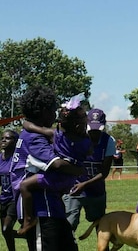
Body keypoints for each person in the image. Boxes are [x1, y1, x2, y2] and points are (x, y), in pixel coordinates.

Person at [11, 86, 84, 251]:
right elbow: (56, 163)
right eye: (52, 110)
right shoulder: (34, 138)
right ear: (43, 111)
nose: (55, 115)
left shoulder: (33, 132)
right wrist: (78, 169)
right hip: (39, 209)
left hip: (51, 206)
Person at [64, 108, 116, 231]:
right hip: (74, 190)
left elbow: (104, 172)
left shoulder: (108, 141)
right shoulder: (77, 139)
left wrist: (85, 184)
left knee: (101, 226)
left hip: (96, 191)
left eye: (98, 130)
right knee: (69, 224)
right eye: (91, 129)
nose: (94, 133)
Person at [1, 129, 19, 251]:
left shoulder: (18, 159)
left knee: (6, 229)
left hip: (15, 198)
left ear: (15, 142)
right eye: (2, 138)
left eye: (7, 138)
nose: (3, 140)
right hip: (3, 198)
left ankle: (29, 234)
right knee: (5, 233)